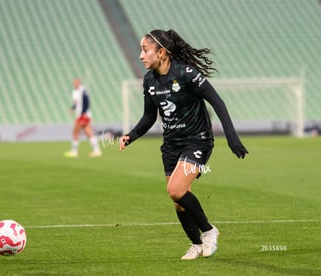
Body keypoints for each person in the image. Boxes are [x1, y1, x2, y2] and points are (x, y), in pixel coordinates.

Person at [119, 29, 248, 260]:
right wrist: (132, 135)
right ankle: (196, 244)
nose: (141, 55)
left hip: (197, 140)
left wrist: (232, 137)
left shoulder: (186, 73)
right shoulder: (149, 80)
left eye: (145, 50)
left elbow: (217, 102)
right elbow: (149, 117)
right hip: (171, 145)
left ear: (161, 52)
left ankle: (209, 231)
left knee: (175, 190)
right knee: (179, 200)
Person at [65, 78, 102, 157]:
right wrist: (73, 108)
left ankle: (74, 151)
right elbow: (77, 103)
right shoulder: (75, 92)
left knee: (75, 131)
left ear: (79, 83)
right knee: (88, 132)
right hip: (81, 115)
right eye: (74, 83)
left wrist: (84, 113)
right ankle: (97, 150)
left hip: (84, 115)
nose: (75, 84)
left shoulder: (83, 90)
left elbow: (86, 101)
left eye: (76, 83)